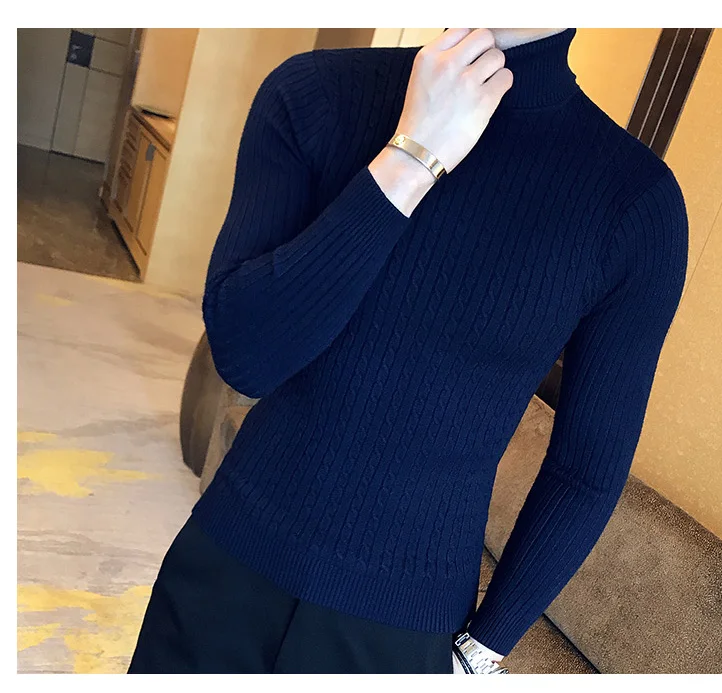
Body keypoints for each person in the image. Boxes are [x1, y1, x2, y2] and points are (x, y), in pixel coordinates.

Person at [128, 27, 688, 674]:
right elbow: (244, 356)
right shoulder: (314, 94)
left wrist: (482, 650)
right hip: (226, 565)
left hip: (403, 630)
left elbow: (585, 469)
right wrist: (412, 157)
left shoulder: (634, 204)